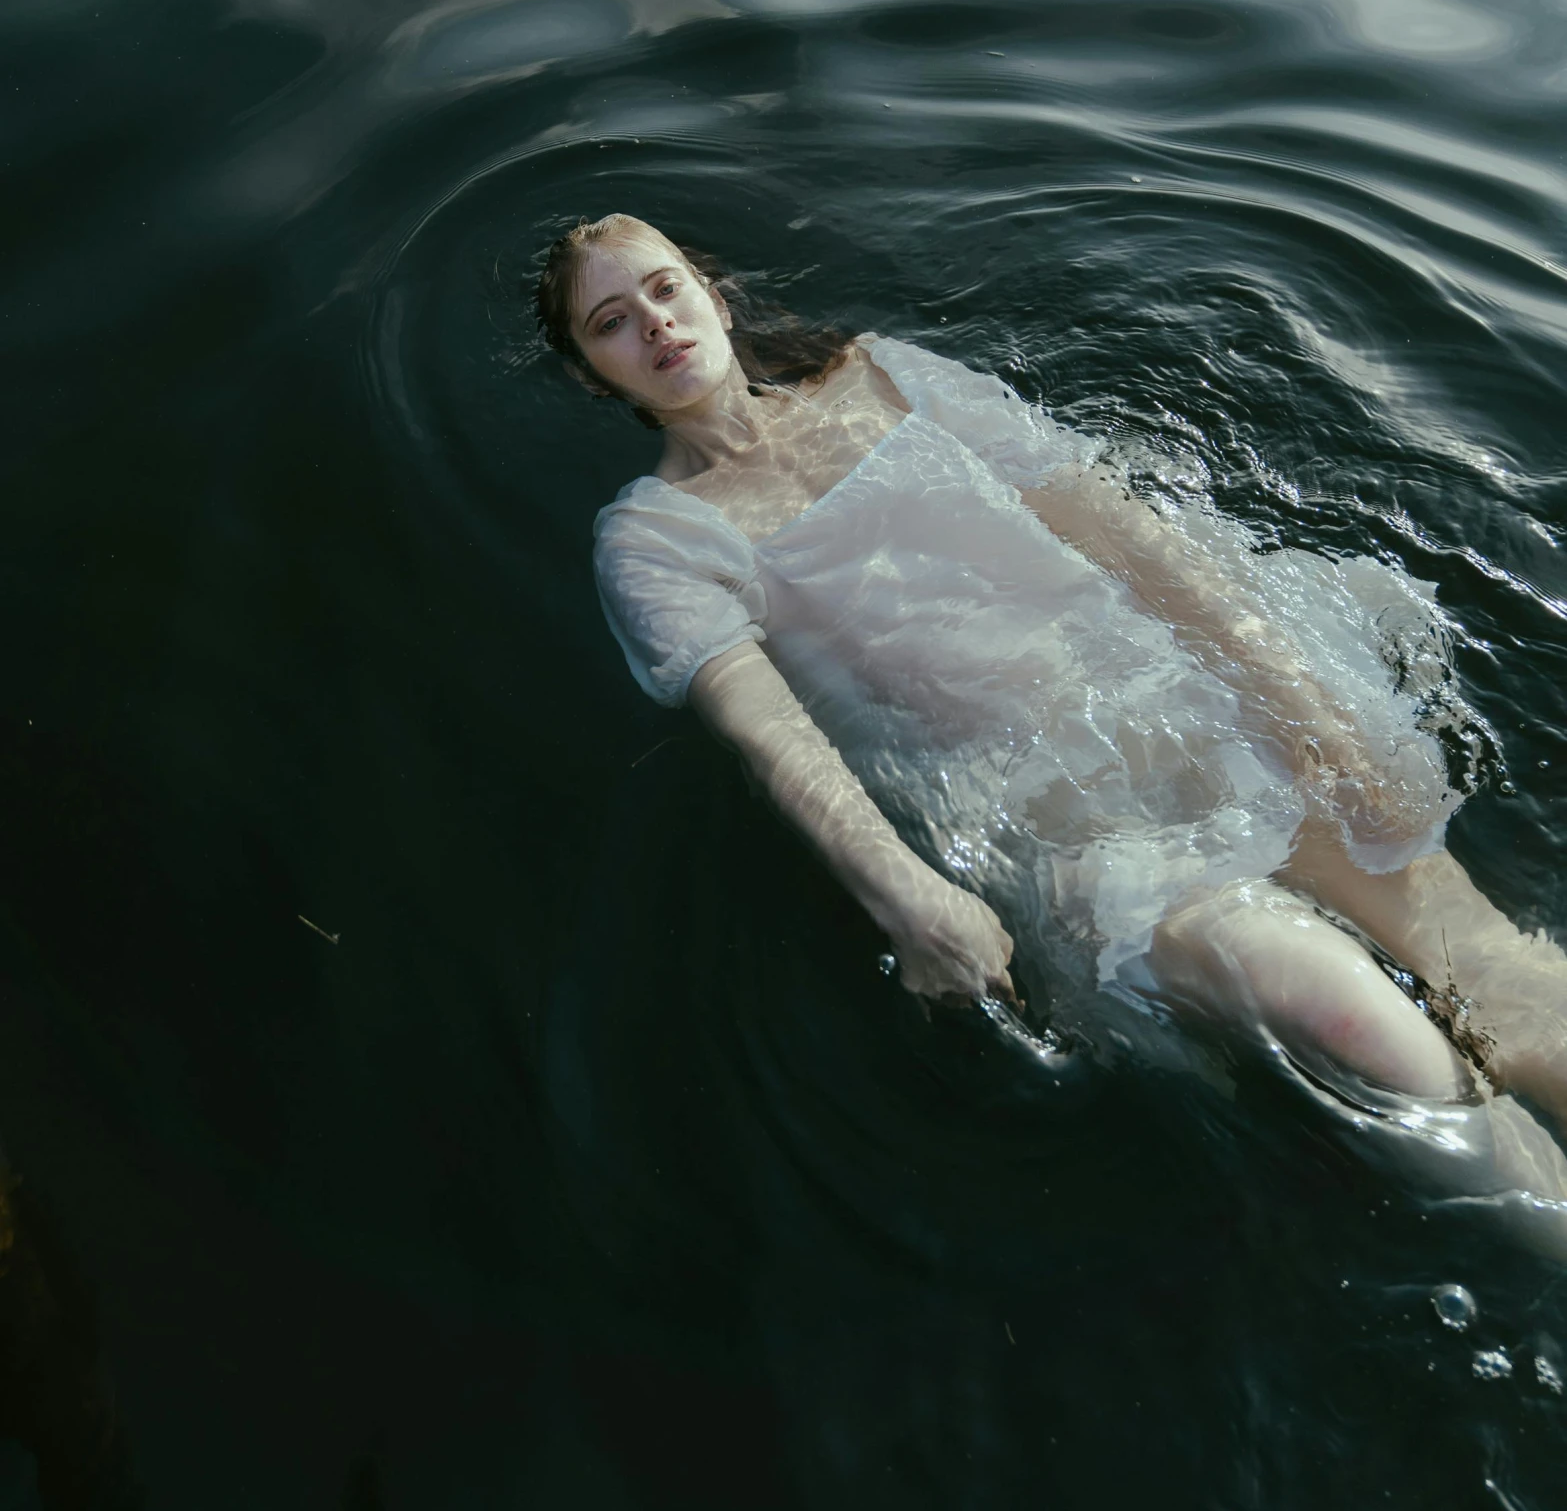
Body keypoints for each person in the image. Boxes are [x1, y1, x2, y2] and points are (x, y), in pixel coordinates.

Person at [537, 212, 1567, 1234]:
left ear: (712, 294)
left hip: (1186, 707)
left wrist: (1303, 706)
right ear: (594, 376)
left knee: (1499, 979)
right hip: (1056, 826)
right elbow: (768, 734)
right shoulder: (654, 540)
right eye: (612, 323)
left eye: (666, 288)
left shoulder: (885, 374)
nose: (657, 325)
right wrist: (908, 898)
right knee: (1336, 1005)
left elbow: (1125, 531)